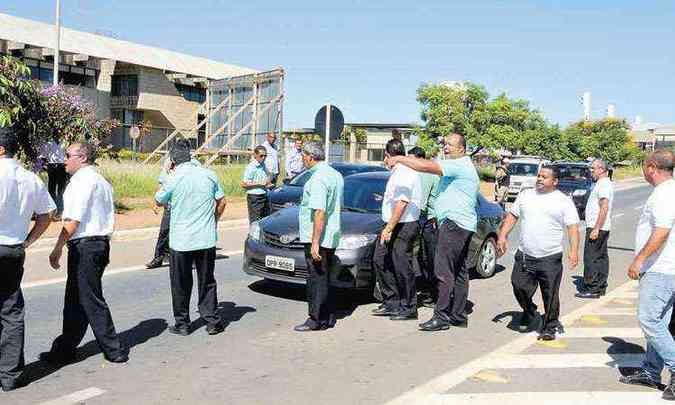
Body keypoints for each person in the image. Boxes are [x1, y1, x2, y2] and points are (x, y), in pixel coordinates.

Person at [43, 142, 128, 364]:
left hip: (86, 246)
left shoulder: (82, 182)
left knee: (90, 299)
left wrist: (57, 248)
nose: (64, 160)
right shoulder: (101, 181)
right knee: (75, 299)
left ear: (82, 158)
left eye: (68, 155)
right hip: (98, 245)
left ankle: (114, 349)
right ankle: (65, 349)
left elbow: (73, 220)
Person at [387, 133, 479, 332]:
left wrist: (400, 158)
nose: (446, 148)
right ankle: (458, 315)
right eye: (445, 144)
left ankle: (442, 316)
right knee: (460, 271)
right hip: (460, 222)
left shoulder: (459, 164)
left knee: (442, 270)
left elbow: (426, 166)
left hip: (455, 224)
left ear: (462, 149)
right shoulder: (461, 165)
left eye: (450, 145)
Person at [497, 165, 580, 341]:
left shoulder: (563, 201)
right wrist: (503, 235)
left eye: (545, 177)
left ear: (555, 181)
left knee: (550, 294)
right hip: (525, 255)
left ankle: (549, 326)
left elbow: (573, 227)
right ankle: (529, 310)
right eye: (539, 176)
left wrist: (574, 251)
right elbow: (512, 216)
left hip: (549, 257)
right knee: (518, 286)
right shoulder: (526, 195)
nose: (540, 179)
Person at [0, 127, 55, 391]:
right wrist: (28, 241)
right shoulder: (31, 178)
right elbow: (46, 216)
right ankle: (9, 375)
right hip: (13, 250)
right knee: (11, 311)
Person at [155, 139, 228, 336]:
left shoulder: (173, 177)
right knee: (207, 281)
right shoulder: (209, 174)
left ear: (172, 160)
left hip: (181, 240)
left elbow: (158, 200)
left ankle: (183, 323)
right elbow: (222, 202)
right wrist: (214, 220)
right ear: (190, 156)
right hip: (206, 238)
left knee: (180, 283)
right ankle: (212, 321)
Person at [619, 150, 675, 399]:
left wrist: (639, 259)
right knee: (660, 323)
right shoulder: (669, 191)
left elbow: (661, 231)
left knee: (649, 321)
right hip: (666, 269)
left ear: (652, 167)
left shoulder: (664, 194)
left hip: (660, 269)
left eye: (643, 165)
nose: (643, 170)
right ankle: (651, 371)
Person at [294, 142, 344, 332]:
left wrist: (315, 242)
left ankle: (316, 318)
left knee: (316, 278)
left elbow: (319, 211)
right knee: (325, 277)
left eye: (303, 156)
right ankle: (327, 316)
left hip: (318, 237)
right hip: (331, 234)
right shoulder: (335, 175)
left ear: (309, 156)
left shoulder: (318, 179)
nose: (302, 159)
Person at [372, 140, 422, 321]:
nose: (385, 161)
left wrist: (389, 228)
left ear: (389, 156)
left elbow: (402, 203)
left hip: (403, 225)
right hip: (392, 223)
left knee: (402, 265)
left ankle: (409, 306)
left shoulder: (405, 171)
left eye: (385, 157)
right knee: (380, 259)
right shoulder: (397, 172)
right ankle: (391, 302)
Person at [576, 158, 614, 299]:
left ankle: (592, 288)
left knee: (591, 258)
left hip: (597, 227)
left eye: (593, 168)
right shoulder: (602, 184)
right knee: (600, 257)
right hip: (601, 226)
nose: (591, 171)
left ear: (601, 169)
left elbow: (604, 207)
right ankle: (600, 286)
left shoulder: (604, 185)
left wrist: (596, 228)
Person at [409, 146, 440, 306]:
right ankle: (430, 292)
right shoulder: (424, 172)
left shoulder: (425, 173)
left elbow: (421, 202)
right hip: (426, 220)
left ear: (418, 159)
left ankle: (436, 295)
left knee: (431, 259)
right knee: (424, 258)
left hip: (430, 221)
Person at [146, 156, 174, 269]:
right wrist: (158, 202)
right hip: (170, 206)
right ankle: (159, 257)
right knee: (164, 231)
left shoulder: (193, 164)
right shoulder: (168, 162)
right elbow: (162, 184)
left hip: (184, 206)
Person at [241, 145, 272, 224]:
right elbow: (244, 184)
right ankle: (253, 236)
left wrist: (268, 182)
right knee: (255, 221)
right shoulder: (251, 167)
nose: (263, 158)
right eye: (261, 156)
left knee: (264, 220)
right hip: (255, 197)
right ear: (255, 155)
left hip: (264, 194)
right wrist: (259, 184)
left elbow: (265, 177)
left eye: (265, 156)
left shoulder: (263, 165)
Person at [39, 137, 68, 216]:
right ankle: (53, 210)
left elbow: (67, 154)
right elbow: (43, 156)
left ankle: (60, 210)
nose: (57, 133)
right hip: (52, 166)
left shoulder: (65, 141)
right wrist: (44, 166)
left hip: (61, 166)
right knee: (51, 189)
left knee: (61, 189)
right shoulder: (49, 143)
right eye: (55, 131)